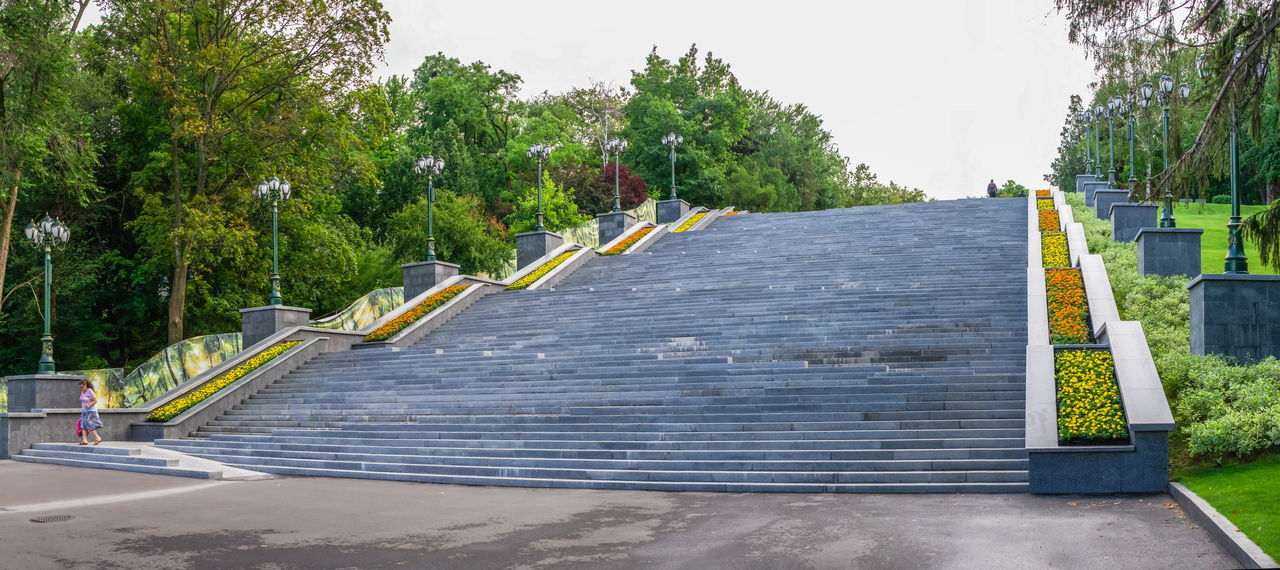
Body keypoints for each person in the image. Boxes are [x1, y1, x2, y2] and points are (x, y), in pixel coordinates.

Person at [78, 380, 103, 445]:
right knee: (83, 425)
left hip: (91, 410)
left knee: (89, 424)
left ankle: (98, 438)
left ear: (85, 385)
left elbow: (95, 401)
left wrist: (89, 405)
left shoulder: (90, 391)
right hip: (84, 410)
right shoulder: (83, 392)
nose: (81, 389)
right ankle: (85, 440)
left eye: (82, 387)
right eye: (80, 388)